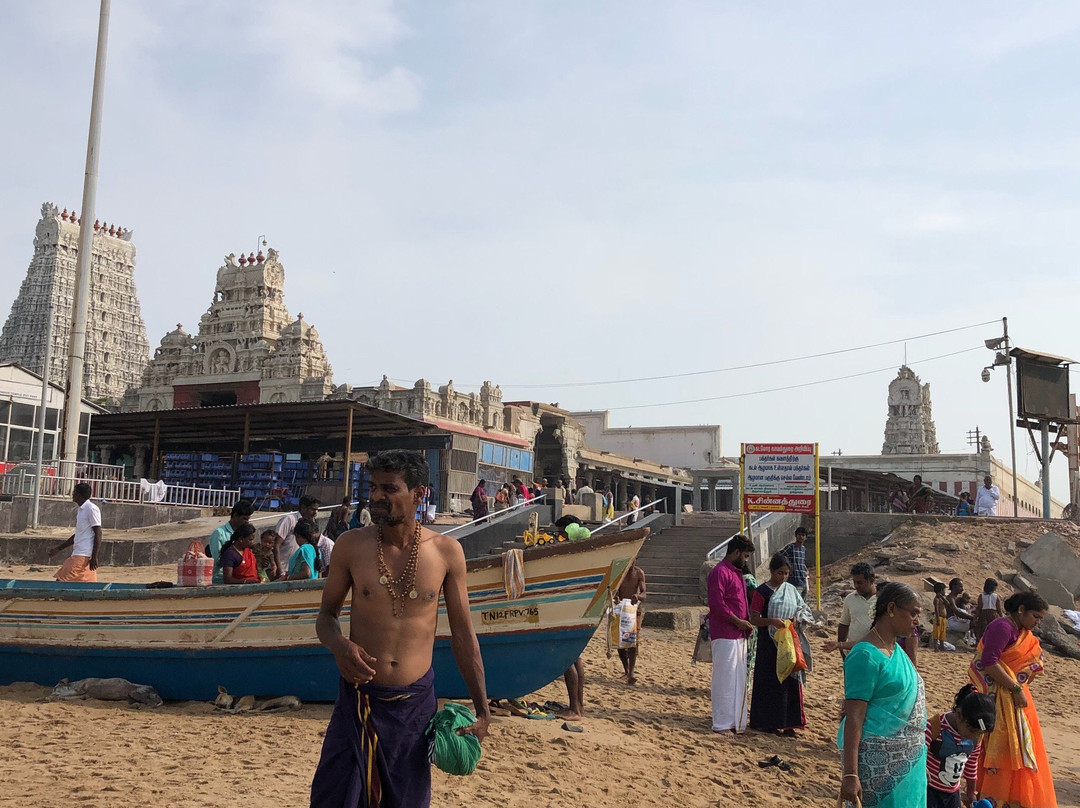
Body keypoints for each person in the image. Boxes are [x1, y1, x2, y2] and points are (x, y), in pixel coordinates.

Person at [311, 450, 489, 807]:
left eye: (389, 489)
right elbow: (325, 618)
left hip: (413, 710)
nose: (377, 496)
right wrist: (339, 646)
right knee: (333, 796)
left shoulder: (446, 553)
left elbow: (463, 636)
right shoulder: (351, 545)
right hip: (358, 703)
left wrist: (483, 710)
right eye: (374, 487)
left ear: (420, 493)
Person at [839, 582, 927, 808]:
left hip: (910, 763)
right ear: (890, 609)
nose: (917, 621)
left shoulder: (896, 650)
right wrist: (850, 774)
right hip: (877, 767)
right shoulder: (865, 655)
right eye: (913, 613)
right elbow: (854, 717)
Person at [968, 591, 1057, 808]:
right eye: (1035, 616)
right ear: (1021, 610)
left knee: (1021, 747)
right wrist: (1016, 688)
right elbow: (989, 662)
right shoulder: (1002, 627)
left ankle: (1015, 798)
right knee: (1004, 749)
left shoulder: (1020, 631)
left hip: (1015, 698)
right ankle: (997, 797)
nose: (1037, 622)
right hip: (1001, 697)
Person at [748, 554, 812, 736]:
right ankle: (768, 722)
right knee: (770, 682)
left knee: (790, 681)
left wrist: (795, 619)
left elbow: (803, 609)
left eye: (786, 574)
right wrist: (771, 621)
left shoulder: (791, 590)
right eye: (780, 573)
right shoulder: (762, 592)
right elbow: (754, 618)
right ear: (772, 571)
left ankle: (790, 723)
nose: (783, 577)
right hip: (769, 644)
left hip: (789, 641)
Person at [707, 535, 755, 735]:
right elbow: (718, 605)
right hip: (725, 632)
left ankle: (736, 721)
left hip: (739, 634)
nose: (745, 560)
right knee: (724, 679)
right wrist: (738, 621)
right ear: (735, 553)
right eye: (744, 556)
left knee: (738, 678)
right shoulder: (719, 573)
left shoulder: (737, 574)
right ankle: (722, 723)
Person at [925, 684, 995, 808]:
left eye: (978, 733)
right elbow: (916, 753)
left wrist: (971, 792)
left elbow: (971, 763)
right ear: (959, 714)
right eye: (971, 730)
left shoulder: (976, 735)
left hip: (952, 794)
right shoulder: (935, 727)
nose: (972, 736)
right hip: (928, 791)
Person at [48, 482, 102, 582]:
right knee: (87, 586)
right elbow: (78, 534)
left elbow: (98, 533)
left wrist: (94, 557)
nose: (73, 495)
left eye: (74, 492)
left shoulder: (91, 509)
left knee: (61, 580)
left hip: (83, 554)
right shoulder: (81, 510)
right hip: (81, 553)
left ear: (79, 495)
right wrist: (59, 548)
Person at [207, 499, 255, 583]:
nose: (247, 522)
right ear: (235, 515)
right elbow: (217, 560)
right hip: (220, 579)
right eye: (244, 519)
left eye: (248, 519)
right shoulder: (219, 533)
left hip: (241, 578)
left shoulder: (245, 533)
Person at [837, 562, 878, 658]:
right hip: (855, 653)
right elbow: (844, 624)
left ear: (871, 580)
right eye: (854, 582)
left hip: (877, 654)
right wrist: (842, 651)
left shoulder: (883, 600)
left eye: (859, 582)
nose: (856, 586)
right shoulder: (850, 599)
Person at [616, 559, 646, 685]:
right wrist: (616, 597)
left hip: (634, 611)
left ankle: (631, 673)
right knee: (620, 643)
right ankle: (626, 669)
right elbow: (613, 591)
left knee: (633, 641)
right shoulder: (619, 573)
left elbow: (644, 593)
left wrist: (637, 596)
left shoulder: (639, 573)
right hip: (621, 609)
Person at [275, 495, 321, 576]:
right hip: (284, 569)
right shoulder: (289, 520)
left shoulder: (312, 524)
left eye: (317, 510)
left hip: (299, 573)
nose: (315, 513)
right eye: (313, 509)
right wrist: (280, 570)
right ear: (303, 507)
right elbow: (276, 545)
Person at [779, 526, 810, 599]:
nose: (801, 537)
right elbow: (779, 556)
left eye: (803, 535)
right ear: (796, 535)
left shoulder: (803, 549)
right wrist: (787, 569)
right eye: (799, 535)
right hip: (794, 582)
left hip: (803, 581)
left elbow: (801, 562)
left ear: (806, 537)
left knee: (803, 605)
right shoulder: (790, 547)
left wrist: (806, 570)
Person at [932, 582, 949, 652]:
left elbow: (948, 603)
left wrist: (942, 597)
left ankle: (942, 646)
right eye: (944, 590)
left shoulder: (942, 599)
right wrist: (938, 618)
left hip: (943, 618)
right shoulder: (936, 599)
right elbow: (936, 609)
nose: (945, 592)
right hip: (939, 618)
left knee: (942, 633)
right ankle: (935, 647)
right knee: (937, 633)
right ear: (941, 590)